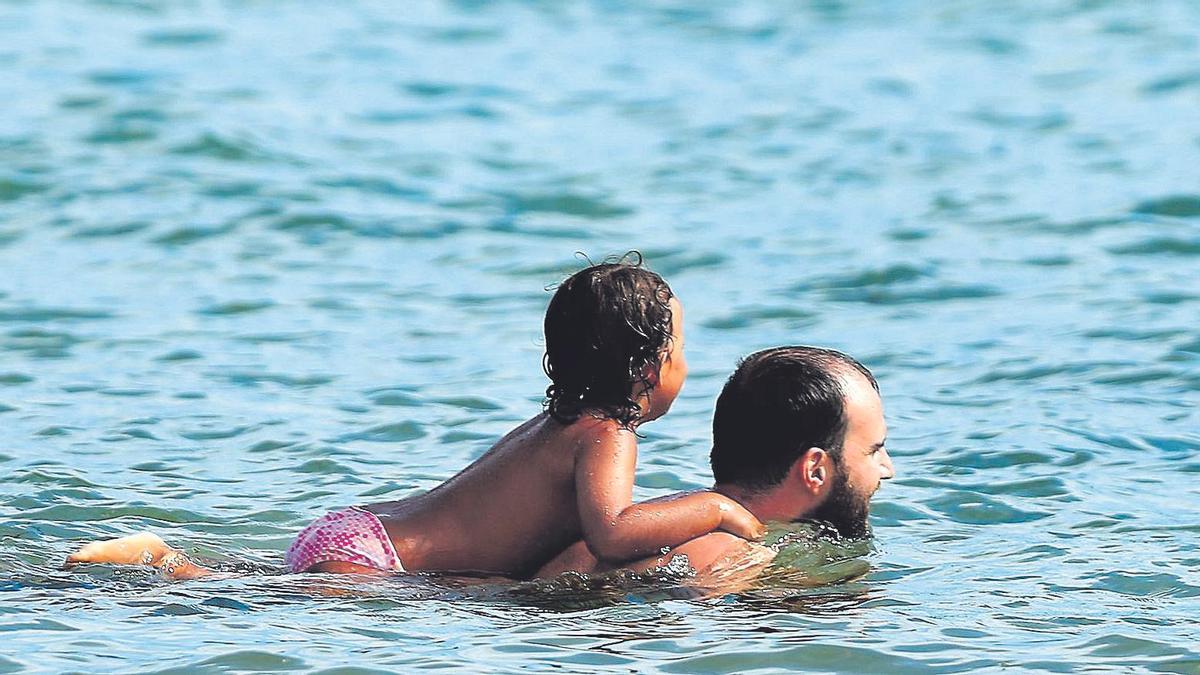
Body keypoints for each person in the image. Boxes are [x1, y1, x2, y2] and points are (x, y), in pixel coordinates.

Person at [66, 257, 764, 579]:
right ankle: (163, 561)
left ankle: (168, 562)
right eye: (682, 351)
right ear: (648, 369)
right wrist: (717, 509)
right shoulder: (607, 434)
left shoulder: (555, 427)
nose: (685, 369)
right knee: (233, 593)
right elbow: (611, 532)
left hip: (359, 534)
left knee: (259, 579)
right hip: (372, 561)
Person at [533, 345, 895, 580]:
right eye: (873, 450)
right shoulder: (729, 558)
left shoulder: (663, 518)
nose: (887, 469)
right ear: (815, 470)